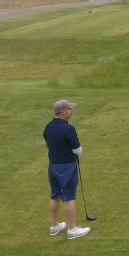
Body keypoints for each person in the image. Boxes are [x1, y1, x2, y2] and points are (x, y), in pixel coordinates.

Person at [43, 99, 91, 239]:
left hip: (53, 166)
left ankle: (54, 226)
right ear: (63, 112)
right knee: (69, 197)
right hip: (67, 167)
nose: (71, 111)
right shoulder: (68, 128)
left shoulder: (48, 127)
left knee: (55, 195)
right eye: (69, 109)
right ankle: (72, 229)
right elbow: (77, 150)